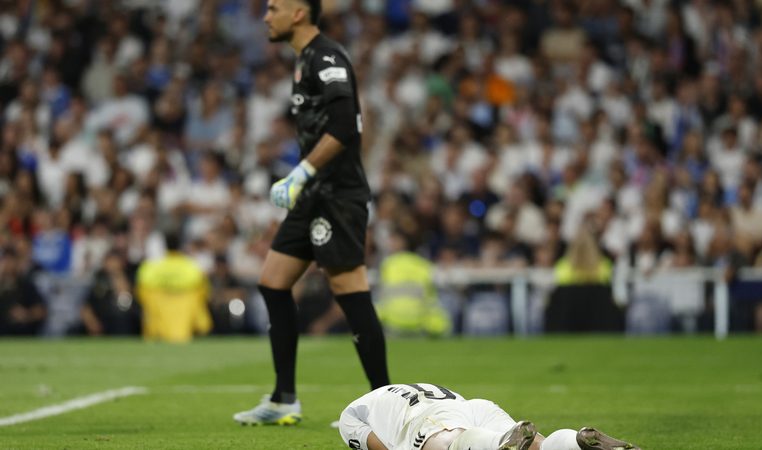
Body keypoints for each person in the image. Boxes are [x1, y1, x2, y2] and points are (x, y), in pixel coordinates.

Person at [233, 0, 389, 425]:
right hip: (314, 194)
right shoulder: (304, 59)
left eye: (274, 8)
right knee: (273, 282)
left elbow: (344, 126)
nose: (266, 16)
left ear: (298, 13)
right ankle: (284, 398)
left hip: (338, 195)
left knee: (349, 289)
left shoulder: (327, 58)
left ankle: (385, 407)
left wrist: (300, 172)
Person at [338, 383, 640, 450]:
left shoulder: (349, 417)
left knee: (445, 445)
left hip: (431, 417)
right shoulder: (391, 392)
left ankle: (497, 445)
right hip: (474, 406)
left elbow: (382, 447)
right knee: (538, 446)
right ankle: (576, 441)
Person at [135, 231, 212, 343]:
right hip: (185, 313)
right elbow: (202, 289)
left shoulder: (152, 267)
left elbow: (142, 287)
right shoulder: (191, 266)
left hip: (159, 313)